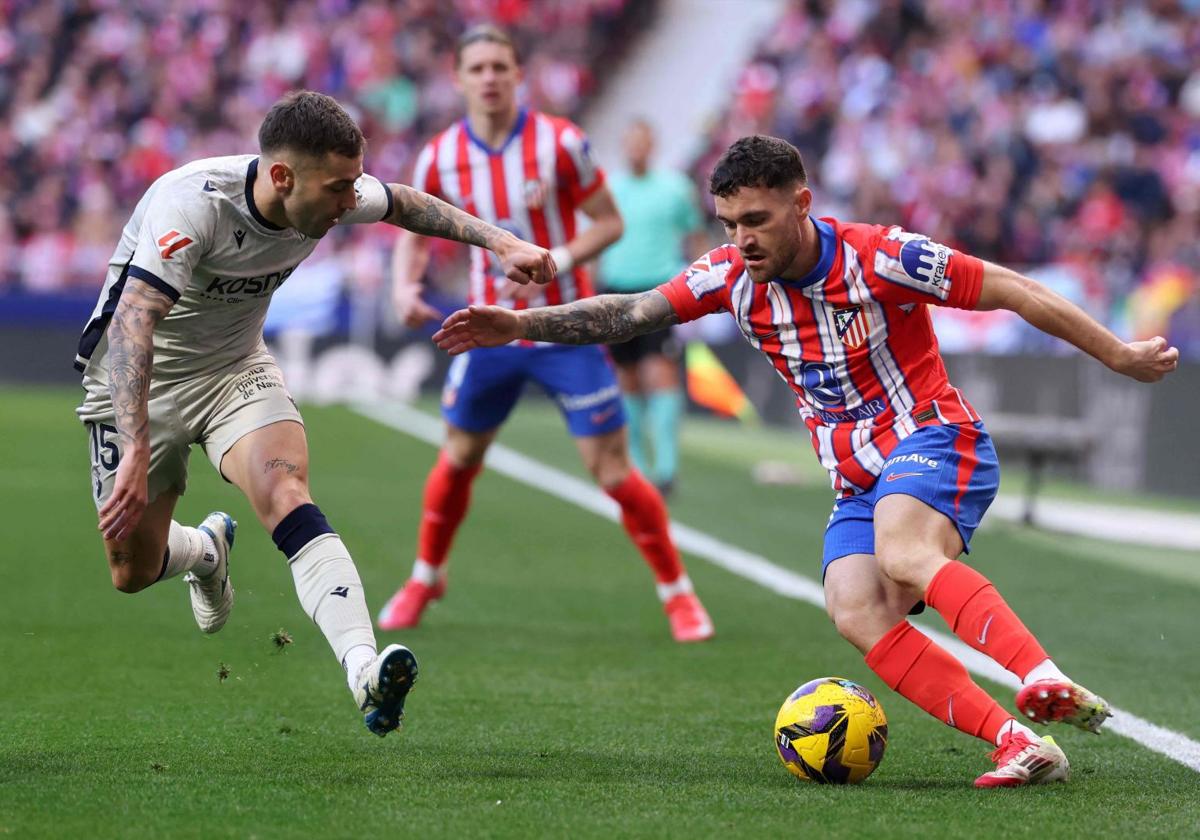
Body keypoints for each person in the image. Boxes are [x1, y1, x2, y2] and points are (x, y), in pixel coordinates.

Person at [431, 135, 1182, 786]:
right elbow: (630, 312)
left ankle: (1041, 675)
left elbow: (1011, 288)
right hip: (856, 475)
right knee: (855, 607)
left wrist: (1117, 353)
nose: (742, 239)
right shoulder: (726, 275)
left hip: (932, 436)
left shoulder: (882, 256)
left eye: (756, 220)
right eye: (729, 224)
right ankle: (1018, 740)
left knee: (902, 550)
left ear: (801, 203)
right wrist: (518, 324)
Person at [75, 90, 555, 737]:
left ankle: (364, 672)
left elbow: (408, 203)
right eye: (337, 189)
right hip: (135, 381)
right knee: (131, 571)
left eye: (352, 185)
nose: (348, 202)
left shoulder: (330, 191)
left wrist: (500, 242)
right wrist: (135, 445)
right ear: (281, 177)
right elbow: (135, 321)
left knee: (285, 489)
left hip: (234, 372)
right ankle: (205, 551)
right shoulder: (193, 204)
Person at [378, 25, 714, 643]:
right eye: (476, 68)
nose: (489, 78)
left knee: (611, 471)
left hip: (567, 330)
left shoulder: (562, 143)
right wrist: (405, 286)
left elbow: (608, 223)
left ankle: (678, 593)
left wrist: (555, 255)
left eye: (500, 66)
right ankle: (426, 577)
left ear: (518, 74)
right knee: (457, 458)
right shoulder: (439, 157)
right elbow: (416, 231)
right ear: (457, 78)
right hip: (487, 334)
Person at [599, 119, 705, 495]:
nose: (636, 149)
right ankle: (639, 467)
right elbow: (597, 239)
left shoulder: (675, 188)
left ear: (652, 145)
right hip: (615, 290)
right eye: (630, 142)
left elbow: (694, 237)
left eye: (642, 142)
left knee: (660, 374)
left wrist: (701, 290)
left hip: (659, 291)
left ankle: (666, 467)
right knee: (625, 377)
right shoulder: (609, 188)